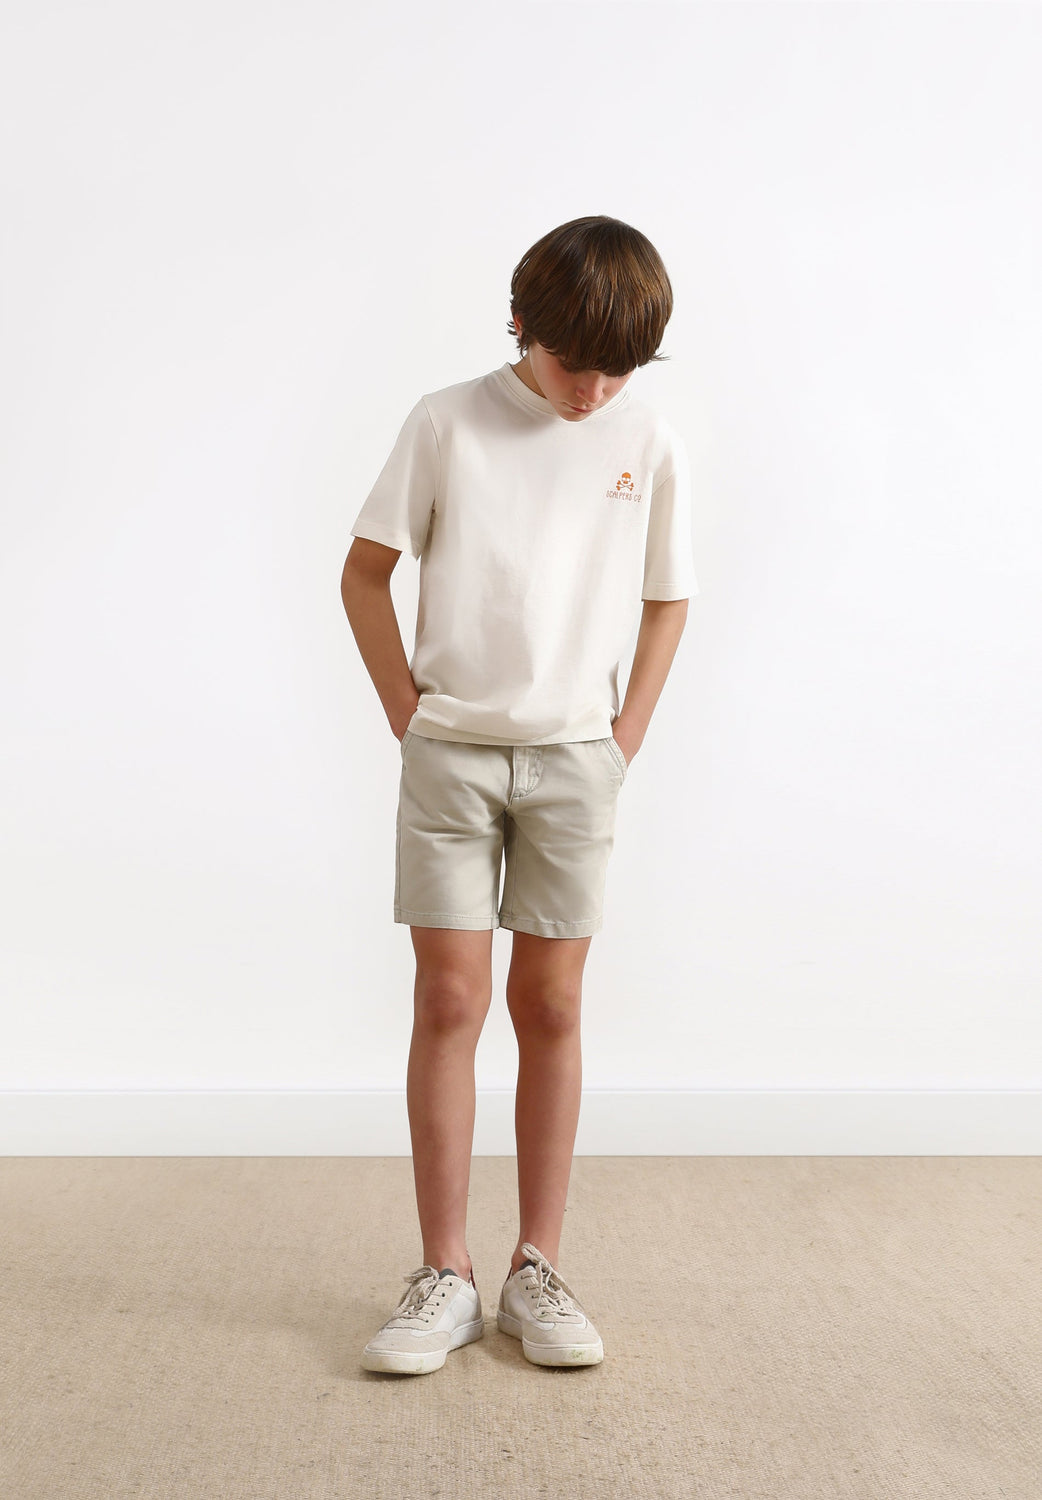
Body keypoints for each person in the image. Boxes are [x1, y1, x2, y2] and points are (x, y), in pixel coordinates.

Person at [340, 215, 699, 1375]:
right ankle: (443, 1274)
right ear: (517, 326)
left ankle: (535, 1264)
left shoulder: (645, 436)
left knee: (550, 1006)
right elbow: (364, 572)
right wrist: (407, 713)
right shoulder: (447, 422)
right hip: (451, 753)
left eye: (618, 369)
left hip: (575, 762)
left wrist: (623, 735)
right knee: (449, 999)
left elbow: (668, 597)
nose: (592, 391)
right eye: (571, 363)